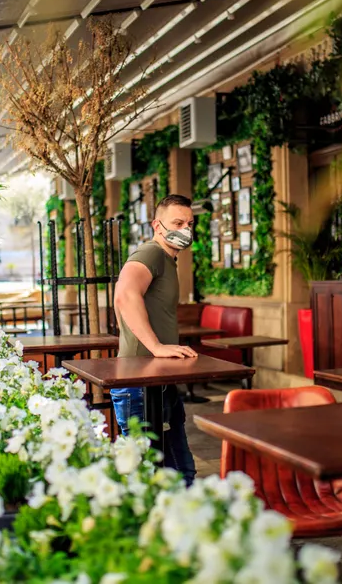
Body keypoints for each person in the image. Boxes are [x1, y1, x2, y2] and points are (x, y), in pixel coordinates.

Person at [113, 193, 197, 485]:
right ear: (157, 226)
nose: (185, 229)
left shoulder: (166, 260)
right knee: (146, 479)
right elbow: (124, 295)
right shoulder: (151, 253)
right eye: (177, 222)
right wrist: (156, 347)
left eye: (189, 223)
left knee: (179, 474)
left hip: (158, 380)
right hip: (139, 383)